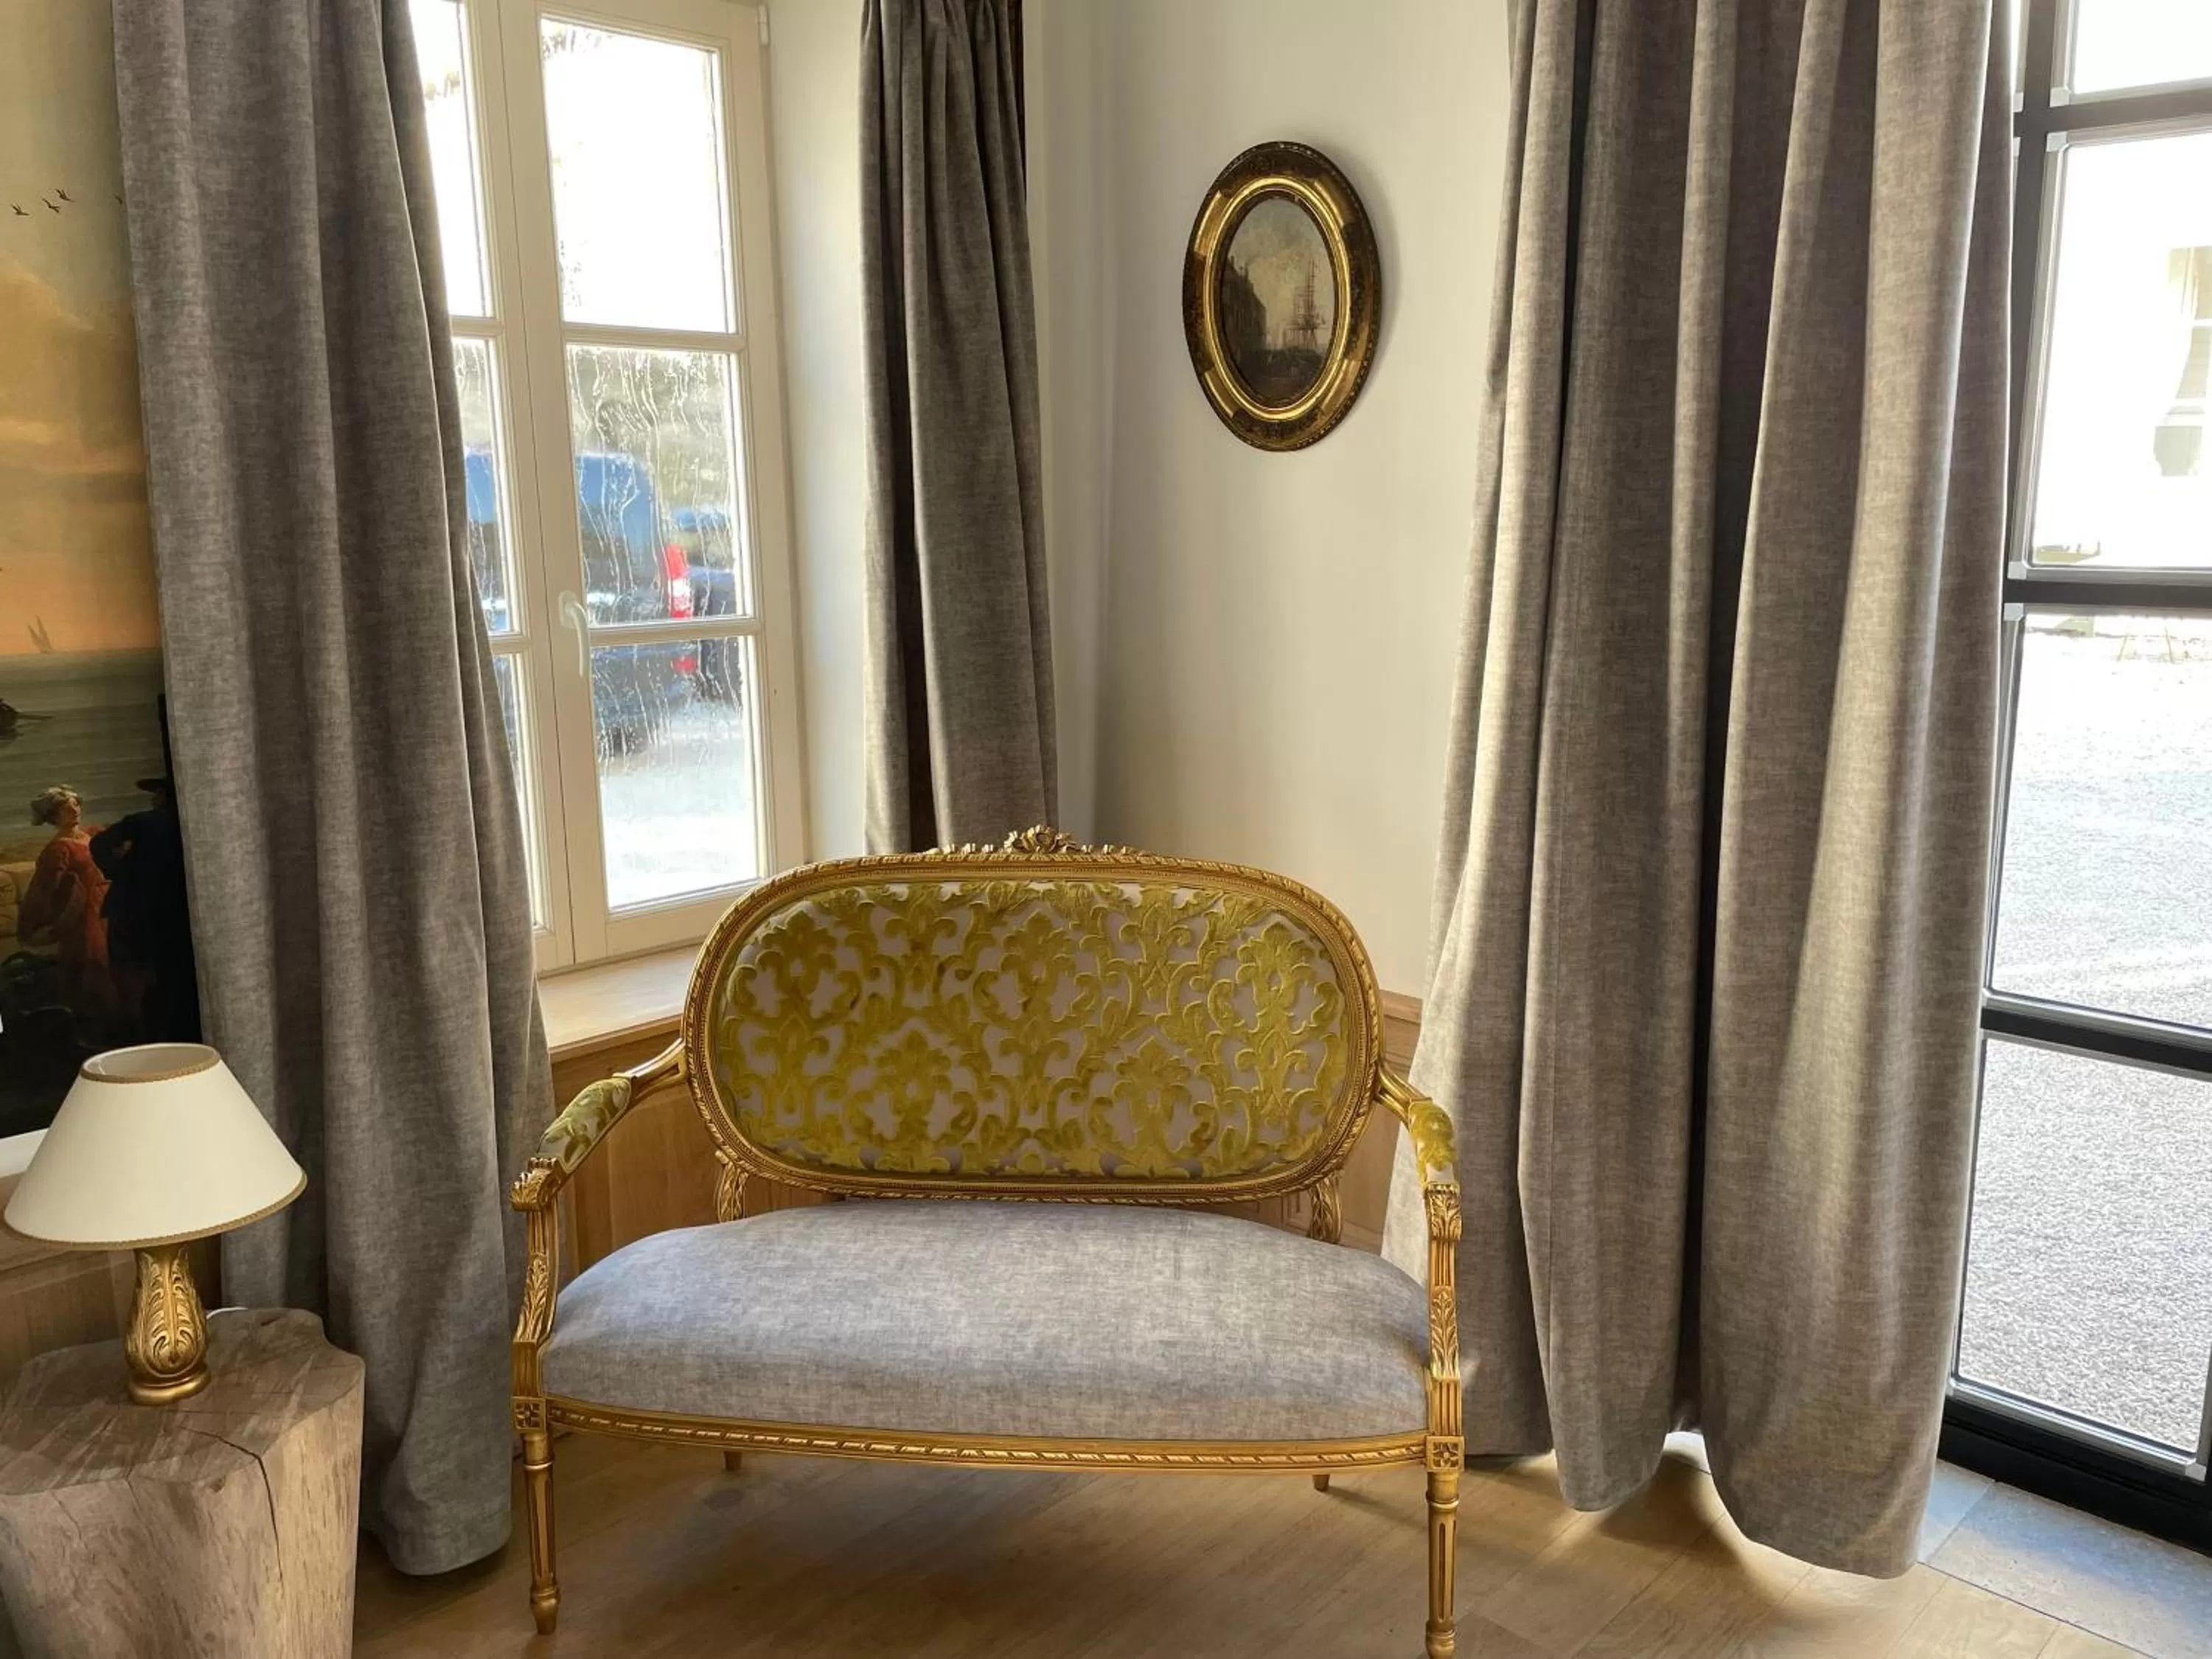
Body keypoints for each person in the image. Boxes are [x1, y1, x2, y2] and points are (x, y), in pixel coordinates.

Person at [92, 775, 201, 1043]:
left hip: (136, 912)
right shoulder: (198, 821)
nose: (154, 799)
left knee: (137, 982)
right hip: (178, 912)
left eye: (158, 793)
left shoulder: (143, 822)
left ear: (164, 796)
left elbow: (99, 844)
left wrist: (119, 870)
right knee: (175, 982)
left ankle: (142, 1038)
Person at [18, 786, 115, 1034]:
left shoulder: (92, 834)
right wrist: (36, 923)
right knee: (96, 963)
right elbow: (45, 888)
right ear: (53, 816)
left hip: (109, 902)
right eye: (65, 808)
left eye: (76, 804)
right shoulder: (58, 849)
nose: (74, 810)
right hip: (87, 910)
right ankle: (97, 1027)